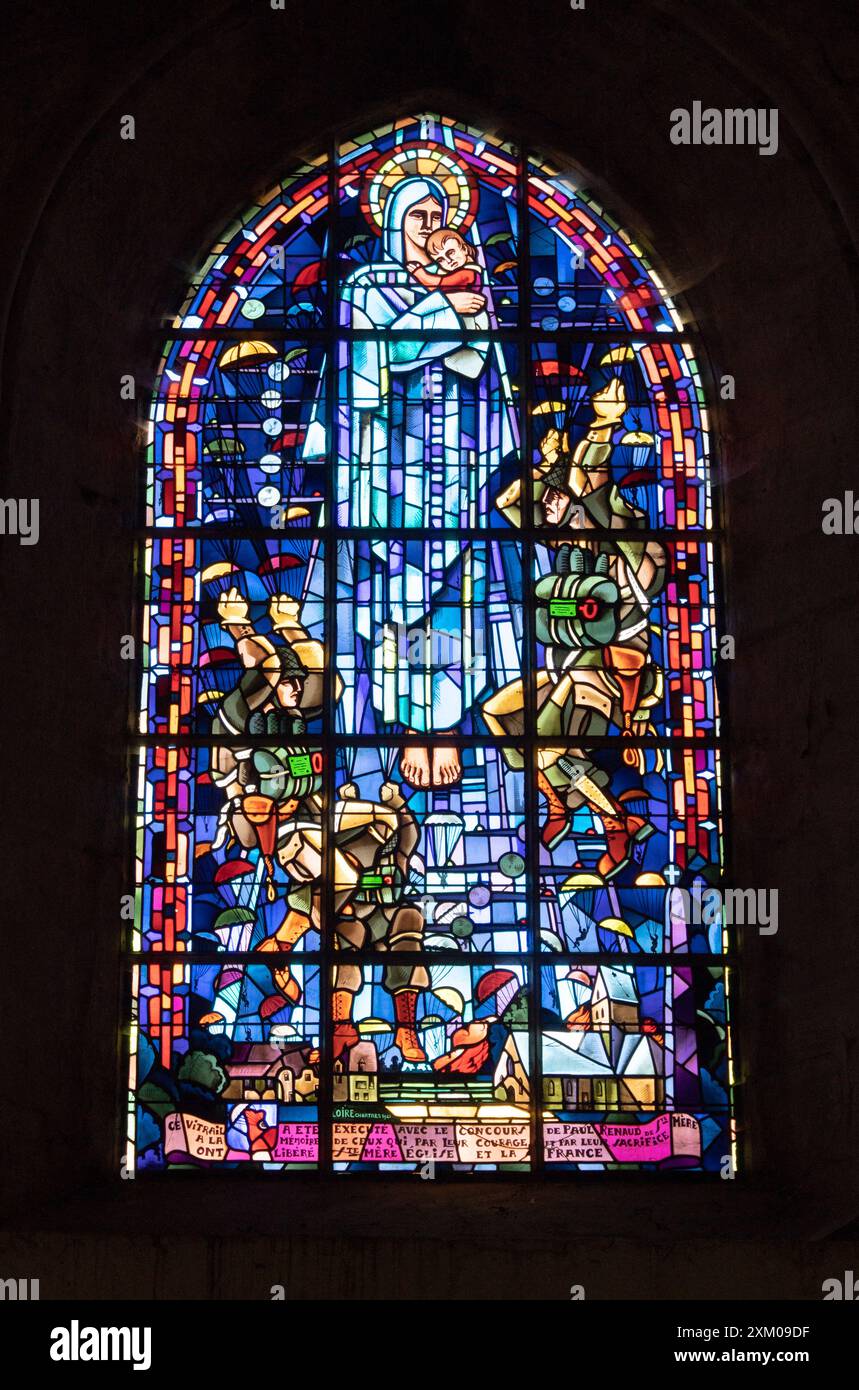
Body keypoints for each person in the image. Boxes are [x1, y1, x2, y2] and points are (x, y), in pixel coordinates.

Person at [303, 175, 520, 789]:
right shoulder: (366, 287)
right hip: (386, 468)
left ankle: (446, 724)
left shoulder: (468, 285)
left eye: (438, 215)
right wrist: (446, 308)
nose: (430, 228)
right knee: (395, 599)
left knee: (454, 596)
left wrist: (466, 306)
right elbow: (376, 358)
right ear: (392, 226)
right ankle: (406, 727)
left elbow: (479, 364)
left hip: (453, 463)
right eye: (417, 217)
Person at [484, 378, 666, 879]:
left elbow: (592, 477)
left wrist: (603, 424)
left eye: (553, 500)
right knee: (498, 715)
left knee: (542, 743)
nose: (543, 508)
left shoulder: (619, 550)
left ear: (577, 499)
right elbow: (509, 504)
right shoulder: (565, 540)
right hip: (569, 668)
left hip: (606, 677)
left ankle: (615, 824)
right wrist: (545, 467)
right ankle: (563, 804)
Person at [407, 225, 483, 293]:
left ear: (464, 249)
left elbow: (439, 285)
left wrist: (418, 272)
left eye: (450, 253)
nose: (449, 260)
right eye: (441, 260)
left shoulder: (468, 273)